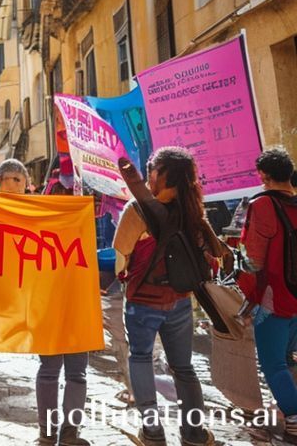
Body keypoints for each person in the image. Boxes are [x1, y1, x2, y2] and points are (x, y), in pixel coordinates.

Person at [115, 148, 226, 445]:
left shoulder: (136, 211)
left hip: (142, 301)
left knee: (140, 358)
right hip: (179, 300)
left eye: (152, 168)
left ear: (160, 174)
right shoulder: (193, 212)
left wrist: (122, 274)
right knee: (184, 367)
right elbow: (211, 253)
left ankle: (152, 432)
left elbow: (120, 259)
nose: (149, 173)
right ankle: (194, 433)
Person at [0, 159, 91, 446]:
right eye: (8, 179)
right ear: (0, 183)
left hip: (75, 296)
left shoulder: (48, 212)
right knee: (50, 370)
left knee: (77, 371)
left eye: (18, 179)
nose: (13, 184)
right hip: (43, 303)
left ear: (28, 183)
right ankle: (47, 431)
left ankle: (70, 432)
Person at [239, 147, 297, 443]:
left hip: (274, 298)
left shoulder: (262, 205)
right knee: (289, 359)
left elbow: (255, 261)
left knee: (273, 363)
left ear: (263, 175)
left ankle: (294, 419)